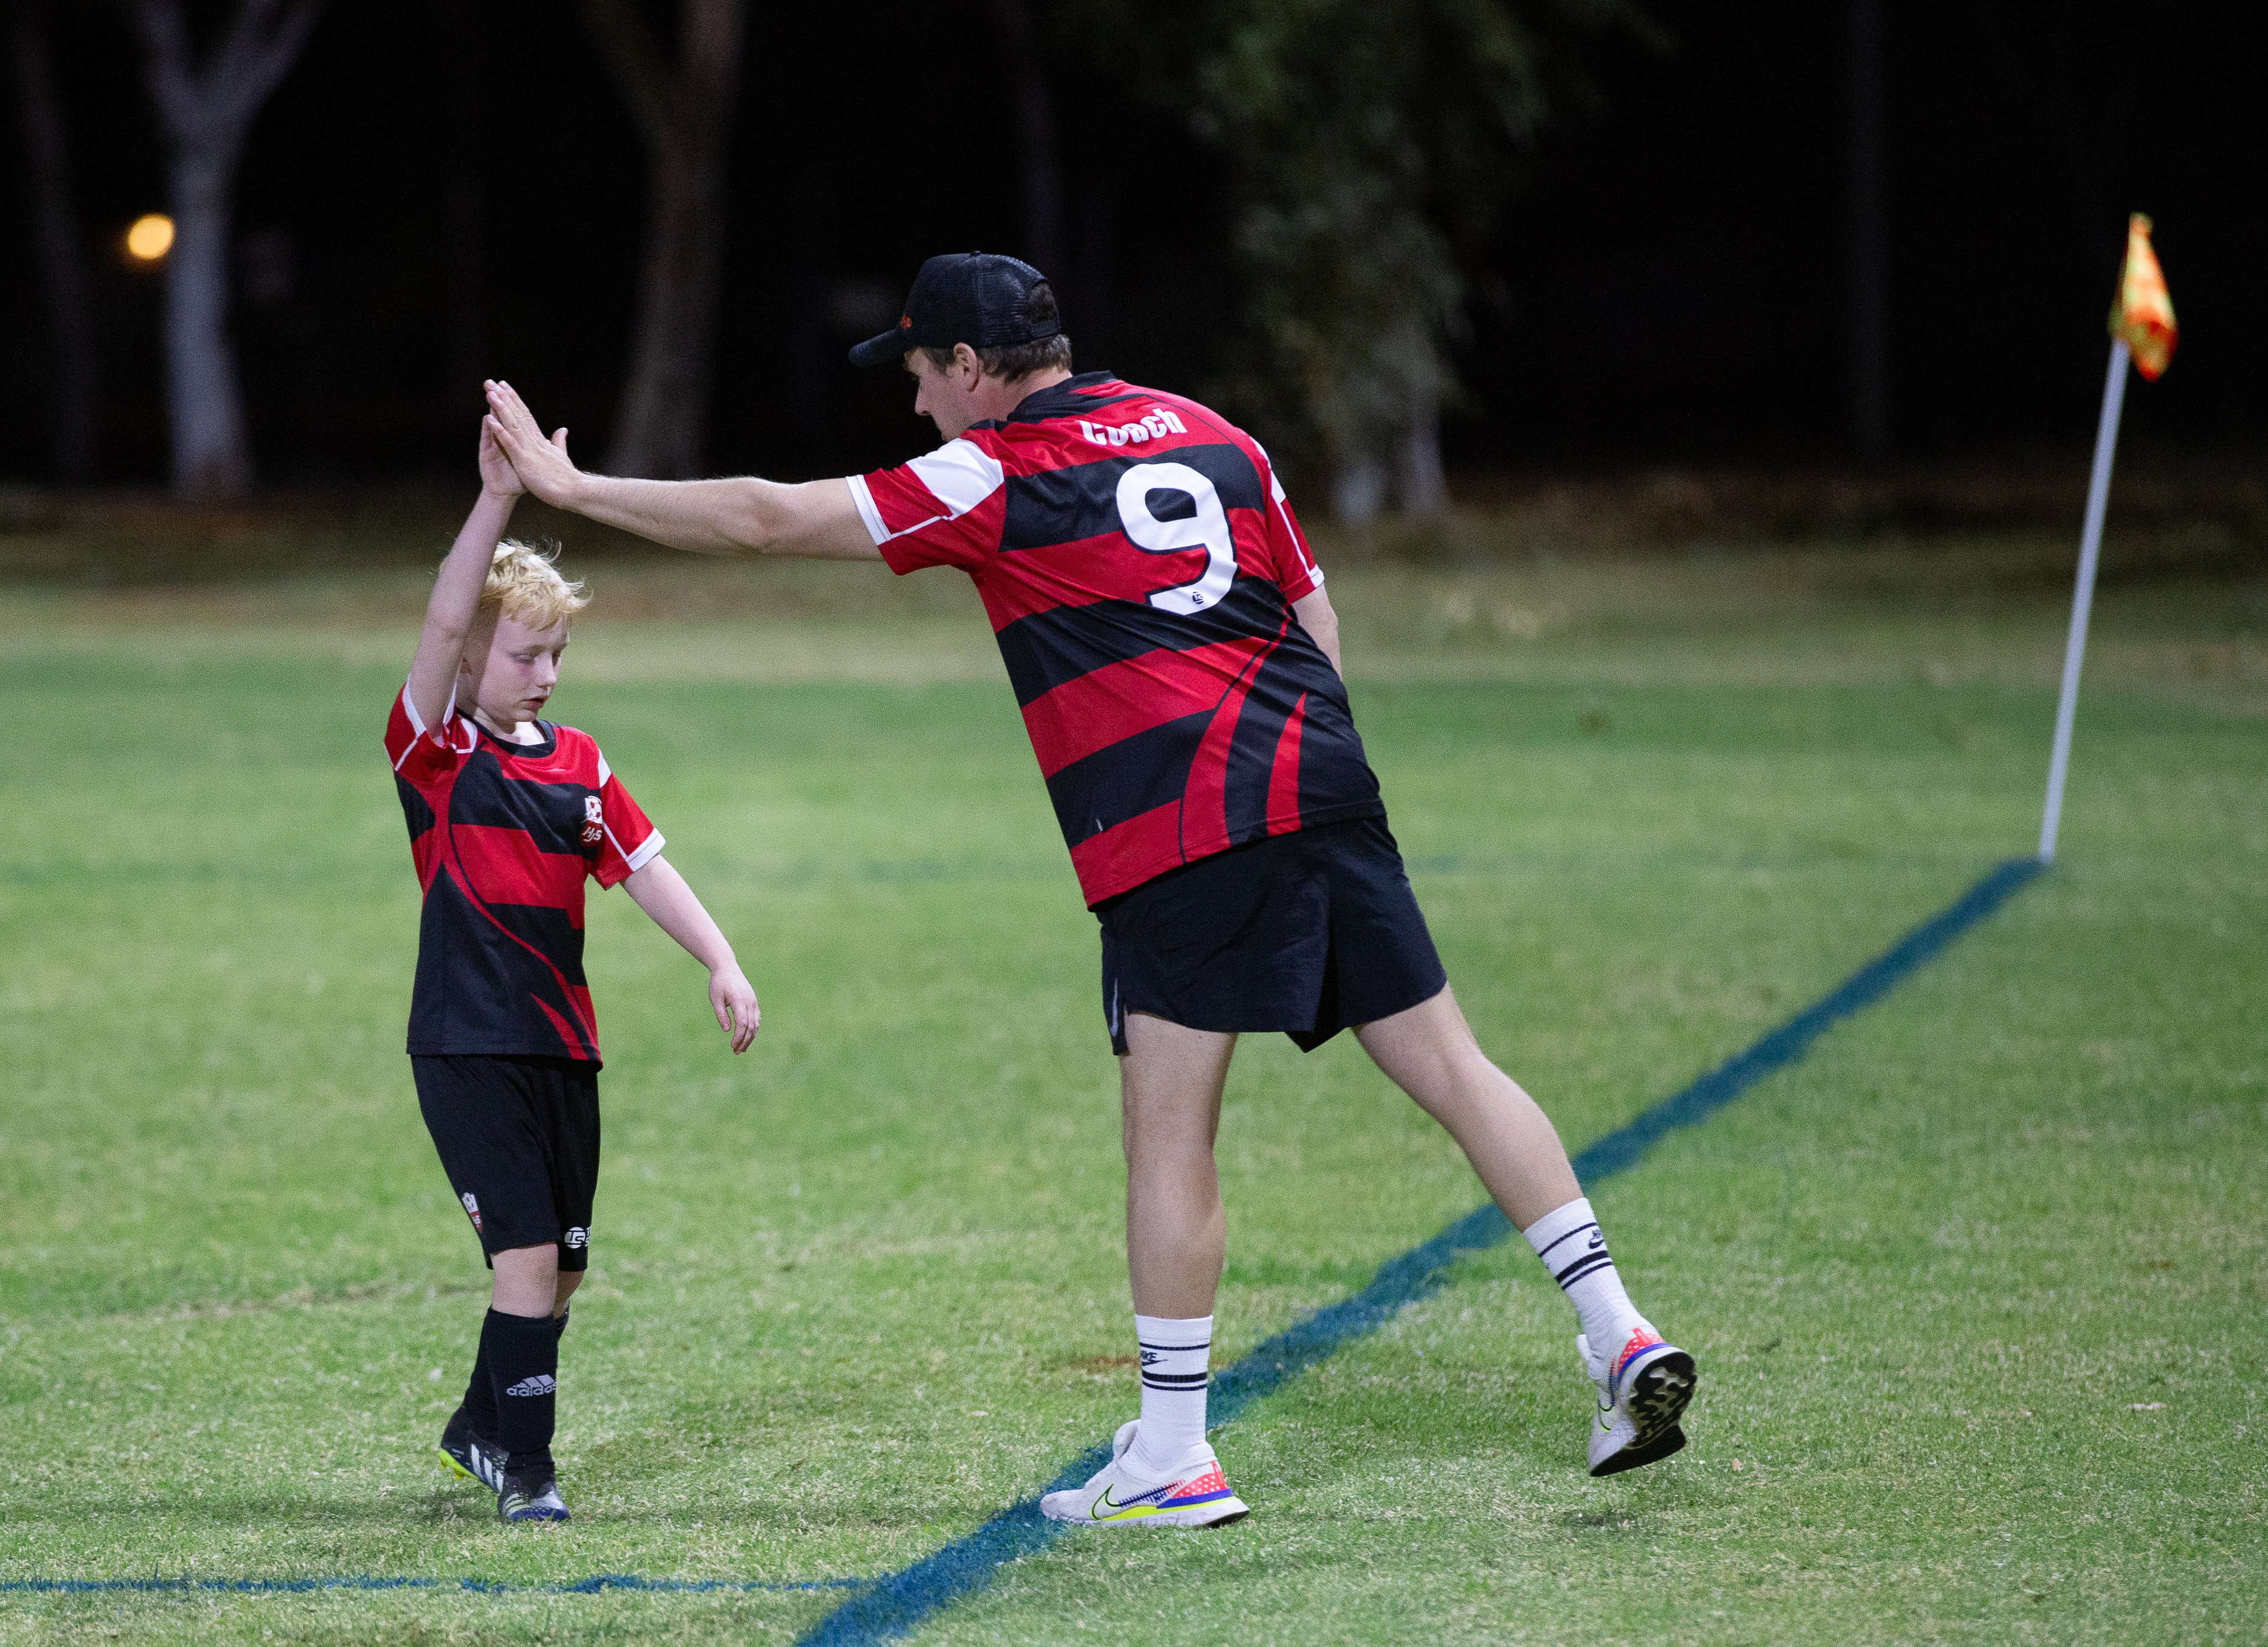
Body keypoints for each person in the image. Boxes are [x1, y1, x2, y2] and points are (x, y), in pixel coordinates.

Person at [481, 252, 1694, 1526]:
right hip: (1325, 783)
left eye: (918, 375)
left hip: (1176, 828)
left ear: (966, 365)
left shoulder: (995, 467)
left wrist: (571, 487)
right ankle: (1613, 1334)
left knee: (1168, 1132)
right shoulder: (1215, 435)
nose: (914, 409)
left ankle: (1174, 1454)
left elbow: (769, 519)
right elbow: (1315, 621)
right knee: (1454, 1066)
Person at [390, 418, 760, 1523]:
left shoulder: (582, 763)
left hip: (562, 1041)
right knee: (525, 1257)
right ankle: (529, 1475)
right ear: (467, 662)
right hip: (466, 1042)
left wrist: (721, 959)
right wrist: (498, 501)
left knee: (564, 1272)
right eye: (523, 655)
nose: (544, 674)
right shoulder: (437, 753)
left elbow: (645, 864)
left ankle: (477, 1428)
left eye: (557, 655)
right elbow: (449, 609)